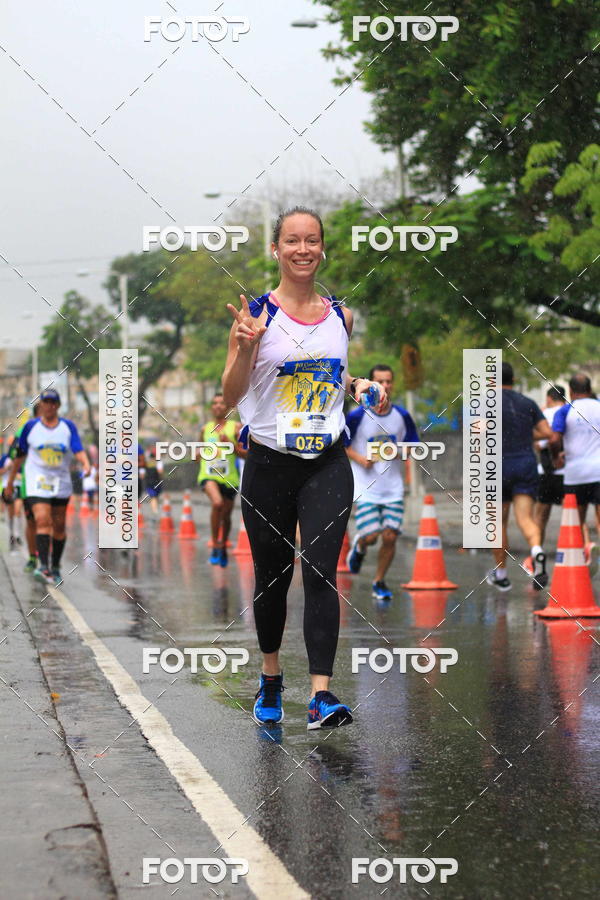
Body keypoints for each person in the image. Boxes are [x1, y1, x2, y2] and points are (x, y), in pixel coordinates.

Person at [223, 205, 386, 729]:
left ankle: (321, 695)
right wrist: (245, 350)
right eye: (291, 240)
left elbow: (330, 375)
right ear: (276, 249)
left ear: (322, 249)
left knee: (321, 571)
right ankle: (271, 677)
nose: (302, 249)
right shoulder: (256, 316)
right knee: (272, 577)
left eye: (311, 240)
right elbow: (229, 397)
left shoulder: (341, 314)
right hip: (269, 463)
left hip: (327, 462)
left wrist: (358, 387)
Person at [345, 364, 419, 601]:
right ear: (370, 385)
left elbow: (414, 447)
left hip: (393, 488)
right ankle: (360, 545)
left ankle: (379, 581)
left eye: (389, 381)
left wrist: (398, 451)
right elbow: (341, 444)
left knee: (390, 536)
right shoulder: (357, 416)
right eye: (380, 382)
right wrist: (360, 458)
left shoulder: (402, 416)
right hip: (366, 488)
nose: (385, 386)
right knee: (372, 536)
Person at [5, 389, 90, 585]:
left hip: (61, 482)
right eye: (46, 402)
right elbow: (19, 456)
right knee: (42, 519)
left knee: (58, 527)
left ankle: (55, 565)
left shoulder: (68, 427)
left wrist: (85, 463)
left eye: (53, 402)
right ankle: (43, 566)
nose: (49, 406)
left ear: (58, 406)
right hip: (37, 481)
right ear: (41, 405)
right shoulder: (30, 427)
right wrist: (10, 483)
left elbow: (78, 449)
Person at [486, 363, 554, 592]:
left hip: (497, 466)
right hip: (525, 463)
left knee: (498, 523)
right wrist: (526, 433)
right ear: (513, 379)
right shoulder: (528, 403)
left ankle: (502, 575)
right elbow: (547, 433)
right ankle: (537, 551)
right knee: (525, 519)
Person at [550, 373, 600, 575]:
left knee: (577, 520)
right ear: (589, 388)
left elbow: (554, 440)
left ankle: (580, 558)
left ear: (570, 391)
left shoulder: (565, 411)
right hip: (599, 472)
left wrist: (556, 458)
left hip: (575, 474)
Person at [197, 393, 243, 567]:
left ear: (228, 407)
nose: (218, 406)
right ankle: (216, 544)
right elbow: (198, 452)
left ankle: (223, 544)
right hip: (208, 475)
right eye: (214, 403)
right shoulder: (205, 429)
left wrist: (230, 444)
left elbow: (246, 454)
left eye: (221, 403)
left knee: (226, 515)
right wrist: (197, 454)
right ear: (211, 407)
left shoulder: (236, 427)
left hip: (229, 478)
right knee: (217, 504)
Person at [533, 385, 567, 545]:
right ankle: (584, 549)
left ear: (548, 398)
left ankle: (537, 551)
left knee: (540, 515)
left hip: (547, 472)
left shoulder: (544, 415)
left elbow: (539, 445)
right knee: (576, 514)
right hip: (570, 473)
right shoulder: (571, 411)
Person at [144, 446, 164, 519]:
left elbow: (142, 474)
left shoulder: (146, 463)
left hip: (149, 482)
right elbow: (160, 472)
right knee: (155, 497)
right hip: (156, 481)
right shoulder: (158, 462)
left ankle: (154, 510)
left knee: (153, 497)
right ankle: (155, 510)